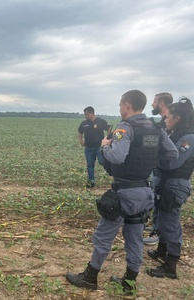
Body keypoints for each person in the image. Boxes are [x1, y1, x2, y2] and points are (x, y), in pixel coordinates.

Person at [66, 90, 178, 294]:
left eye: (120, 105)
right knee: (135, 236)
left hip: (124, 192)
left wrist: (105, 146)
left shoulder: (125, 128)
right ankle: (129, 282)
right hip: (145, 191)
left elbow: (117, 157)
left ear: (127, 105)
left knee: (104, 235)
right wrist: (150, 163)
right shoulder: (154, 127)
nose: (119, 108)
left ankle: (90, 277)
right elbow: (171, 153)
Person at [147, 97, 194, 279]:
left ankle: (171, 266)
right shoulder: (174, 134)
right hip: (165, 184)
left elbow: (172, 162)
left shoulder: (188, 139)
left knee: (170, 223)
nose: (165, 120)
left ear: (178, 118)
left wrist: (154, 158)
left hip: (175, 186)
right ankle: (162, 251)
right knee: (160, 217)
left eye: (169, 117)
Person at [144, 92, 174, 245]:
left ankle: (158, 233)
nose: (152, 104)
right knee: (157, 199)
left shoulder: (169, 123)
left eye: (154, 101)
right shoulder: (164, 121)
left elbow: (169, 150)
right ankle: (157, 228)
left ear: (161, 103)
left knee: (163, 202)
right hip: (159, 170)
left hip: (165, 171)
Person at [78, 106, 111, 188]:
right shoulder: (84, 123)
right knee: (90, 165)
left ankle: (112, 172)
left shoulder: (100, 121)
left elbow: (109, 128)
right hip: (88, 148)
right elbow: (80, 133)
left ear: (92, 113)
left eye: (86, 114)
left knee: (102, 161)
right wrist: (81, 141)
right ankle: (91, 182)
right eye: (84, 115)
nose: (85, 116)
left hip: (99, 147)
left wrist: (107, 138)